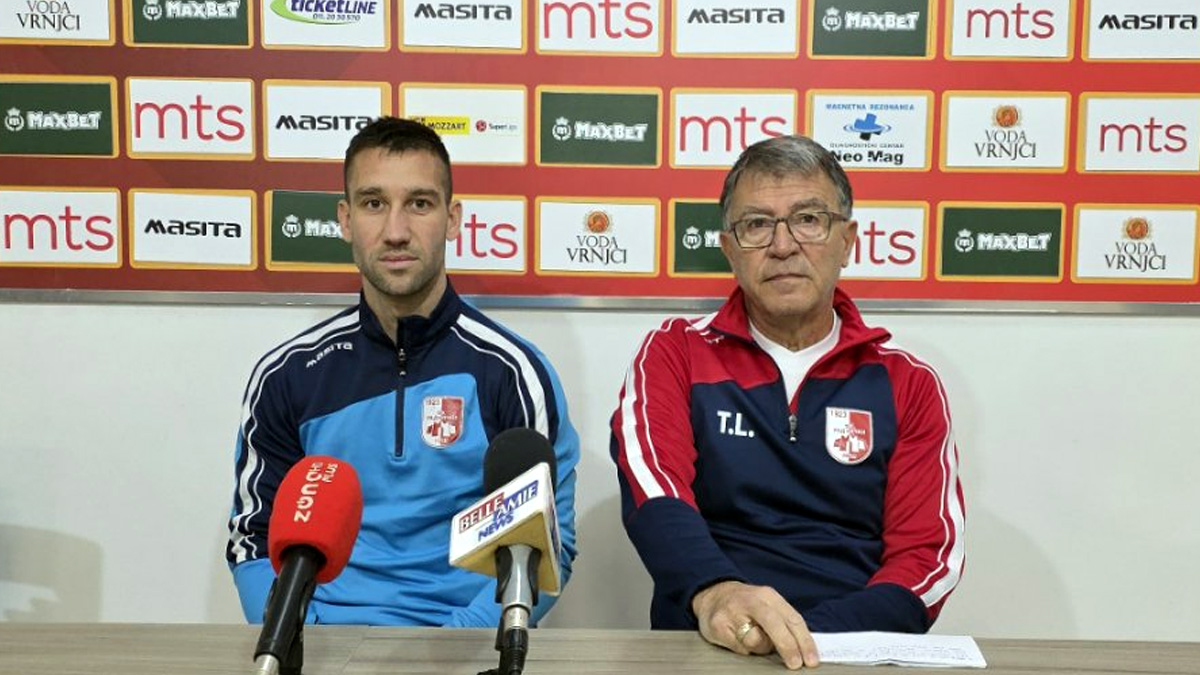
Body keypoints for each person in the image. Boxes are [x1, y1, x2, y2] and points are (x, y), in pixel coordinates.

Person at [610, 135, 964, 669]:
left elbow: (926, 558)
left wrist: (805, 638)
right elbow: (654, 494)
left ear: (847, 240)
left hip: (851, 650)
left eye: (808, 220)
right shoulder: (674, 353)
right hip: (708, 643)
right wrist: (719, 594)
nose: (783, 245)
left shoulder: (908, 383)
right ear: (729, 249)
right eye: (756, 225)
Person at [226, 117, 579, 626]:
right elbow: (253, 542)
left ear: (452, 219)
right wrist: (303, 643)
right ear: (345, 219)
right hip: (316, 648)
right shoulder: (286, 376)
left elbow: (546, 547)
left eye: (419, 203)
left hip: (467, 649)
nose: (395, 231)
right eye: (374, 203)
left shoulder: (513, 373)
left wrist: (455, 646)